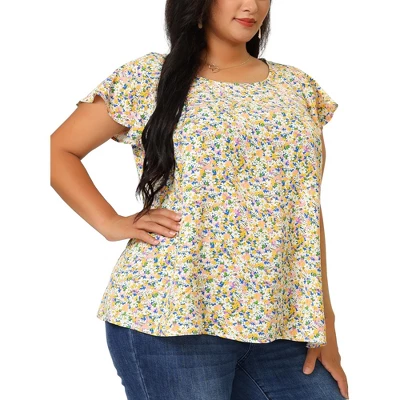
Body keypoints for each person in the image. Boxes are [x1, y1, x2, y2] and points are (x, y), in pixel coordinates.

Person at [50, 0, 349, 399]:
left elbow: (306, 212)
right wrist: (110, 223)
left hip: (279, 322)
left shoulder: (297, 87)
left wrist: (325, 324)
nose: (251, 5)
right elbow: (58, 151)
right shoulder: (148, 76)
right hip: (172, 316)